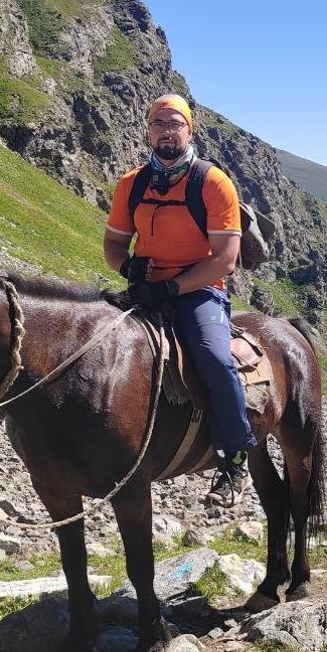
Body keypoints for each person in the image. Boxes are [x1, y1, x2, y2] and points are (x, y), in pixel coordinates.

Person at [103, 94, 255, 507]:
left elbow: (224, 259)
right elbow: (114, 245)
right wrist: (128, 270)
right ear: (148, 129)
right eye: (159, 124)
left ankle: (235, 456)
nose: (167, 131)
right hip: (146, 285)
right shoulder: (131, 184)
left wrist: (172, 288)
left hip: (200, 289)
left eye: (175, 124)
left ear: (190, 129)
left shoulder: (212, 182)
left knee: (212, 354)